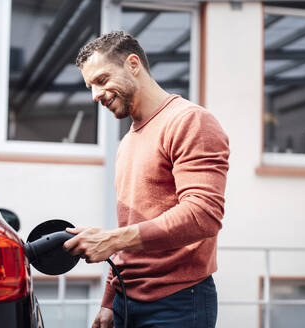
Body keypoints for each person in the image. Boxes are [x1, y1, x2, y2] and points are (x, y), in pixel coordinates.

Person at [63, 31, 229, 328]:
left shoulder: (190, 121)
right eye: (90, 87)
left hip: (177, 304)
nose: (95, 95)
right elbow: (131, 229)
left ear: (133, 64)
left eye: (101, 80)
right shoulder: (127, 142)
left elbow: (204, 215)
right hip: (127, 301)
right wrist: (109, 301)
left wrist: (110, 239)